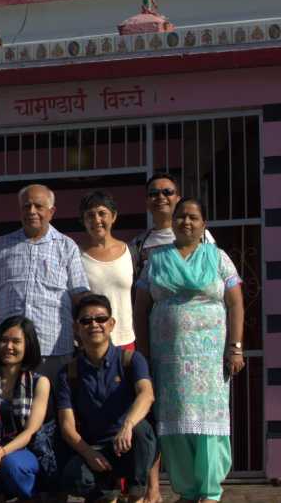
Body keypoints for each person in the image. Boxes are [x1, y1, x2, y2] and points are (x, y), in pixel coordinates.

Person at [135, 197, 244, 503]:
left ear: (203, 225)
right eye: (181, 216)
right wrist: (143, 353)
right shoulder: (156, 260)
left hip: (209, 360)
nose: (186, 222)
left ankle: (209, 491)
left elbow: (235, 302)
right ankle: (186, 489)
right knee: (174, 423)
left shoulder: (218, 257)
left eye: (193, 217)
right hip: (167, 359)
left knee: (208, 422)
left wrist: (235, 348)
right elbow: (141, 306)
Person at [127, 173, 214, 503]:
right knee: (158, 416)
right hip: (158, 344)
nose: (160, 197)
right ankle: (154, 488)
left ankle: (201, 487)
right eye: (153, 193)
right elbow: (138, 295)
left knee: (197, 418)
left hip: (200, 351)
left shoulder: (205, 240)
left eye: (167, 192)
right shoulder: (139, 244)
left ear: (179, 198)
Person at [0, 184, 89, 385]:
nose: (31, 211)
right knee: (11, 411)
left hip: (54, 349)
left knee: (55, 408)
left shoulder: (67, 246)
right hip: (9, 350)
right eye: (26, 206)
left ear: (51, 211)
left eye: (38, 206)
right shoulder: (2, 246)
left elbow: (79, 296)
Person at [58, 295, 156, 503]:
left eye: (101, 319)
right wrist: (88, 453)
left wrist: (127, 425)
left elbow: (147, 394)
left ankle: (136, 495)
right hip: (95, 449)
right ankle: (106, 494)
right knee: (74, 474)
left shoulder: (131, 360)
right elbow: (67, 427)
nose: (94, 324)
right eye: (86, 321)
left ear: (111, 324)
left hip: (128, 445)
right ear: (76, 328)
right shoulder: (69, 373)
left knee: (142, 432)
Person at [0, 316, 53, 503]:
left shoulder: (39, 382)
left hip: (25, 449)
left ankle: (29, 495)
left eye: (16, 341)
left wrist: (1, 453)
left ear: (28, 345)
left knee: (11, 465)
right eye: (4, 340)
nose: (8, 346)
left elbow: (31, 431)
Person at [77, 191, 135, 349]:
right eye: (90, 215)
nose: (97, 220)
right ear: (83, 220)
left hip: (126, 341)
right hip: (91, 345)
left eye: (102, 213)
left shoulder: (131, 252)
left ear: (114, 216)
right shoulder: (75, 257)